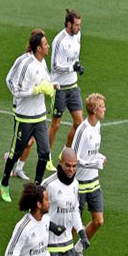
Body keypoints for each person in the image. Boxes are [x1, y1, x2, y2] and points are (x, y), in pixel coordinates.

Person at [0, 29, 57, 202]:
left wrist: (52, 85)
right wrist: (35, 90)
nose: (48, 47)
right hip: (24, 117)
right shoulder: (25, 63)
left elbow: (45, 80)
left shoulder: (42, 62)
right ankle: (4, 182)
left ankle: (37, 188)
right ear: (38, 48)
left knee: (45, 153)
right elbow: (12, 85)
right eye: (45, 44)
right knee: (15, 152)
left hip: (39, 116)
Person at [70, 93, 107, 256]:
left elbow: (92, 153)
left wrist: (99, 157)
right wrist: (95, 163)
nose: (104, 109)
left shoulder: (98, 126)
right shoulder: (82, 130)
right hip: (79, 185)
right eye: (102, 106)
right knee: (71, 225)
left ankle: (78, 249)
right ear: (93, 110)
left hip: (94, 182)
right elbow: (74, 158)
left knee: (98, 221)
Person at [49, 10, 85, 159]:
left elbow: (74, 57)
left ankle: (65, 151)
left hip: (73, 86)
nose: (79, 28)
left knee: (79, 122)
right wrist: (72, 68)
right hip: (59, 88)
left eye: (80, 25)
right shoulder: (59, 40)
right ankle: (47, 156)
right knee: (55, 125)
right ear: (69, 24)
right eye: (76, 25)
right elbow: (55, 66)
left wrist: (77, 66)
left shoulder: (77, 36)